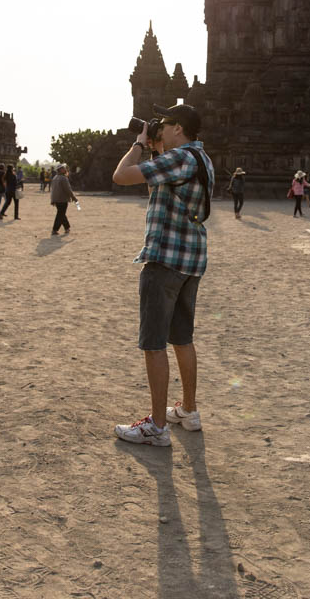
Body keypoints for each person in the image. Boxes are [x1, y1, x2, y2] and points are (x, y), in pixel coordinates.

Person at [110, 103, 213, 446]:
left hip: (165, 260)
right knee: (182, 337)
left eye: (164, 125)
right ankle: (188, 409)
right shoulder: (201, 159)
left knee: (153, 343)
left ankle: (156, 425)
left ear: (179, 129)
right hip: (191, 260)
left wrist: (139, 145)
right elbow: (161, 193)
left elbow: (121, 176)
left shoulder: (178, 158)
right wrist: (157, 149)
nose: (159, 130)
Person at [48, 164, 77, 235]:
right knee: (60, 214)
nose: (65, 169)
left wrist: (52, 200)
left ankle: (67, 227)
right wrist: (73, 197)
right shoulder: (63, 178)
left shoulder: (55, 178)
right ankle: (55, 229)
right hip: (62, 199)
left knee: (61, 213)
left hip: (56, 199)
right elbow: (68, 189)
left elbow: (53, 190)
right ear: (60, 170)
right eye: (63, 168)